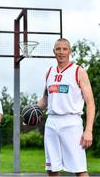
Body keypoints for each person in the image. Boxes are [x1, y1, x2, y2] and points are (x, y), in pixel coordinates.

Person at [37, 38, 95, 177]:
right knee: (52, 169)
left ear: (70, 51)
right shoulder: (49, 72)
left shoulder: (79, 71)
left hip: (71, 123)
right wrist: (32, 111)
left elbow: (91, 103)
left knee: (79, 170)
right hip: (51, 122)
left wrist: (88, 130)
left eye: (64, 49)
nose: (61, 52)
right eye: (58, 49)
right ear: (54, 52)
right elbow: (45, 99)